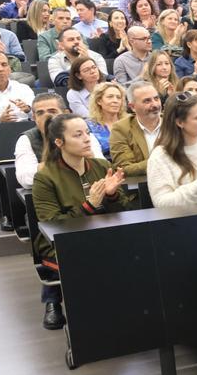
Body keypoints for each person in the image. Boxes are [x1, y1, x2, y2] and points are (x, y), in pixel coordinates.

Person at [32, 112, 137, 328]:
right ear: (59, 142)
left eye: (87, 133)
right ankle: (57, 304)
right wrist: (89, 206)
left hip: (101, 236)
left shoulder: (99, 166)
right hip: (63, 242)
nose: (87, 138)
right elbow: (52, 225)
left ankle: (128, 311)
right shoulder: (45, 177)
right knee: (92, 258)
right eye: (78, 135)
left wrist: (112, 196)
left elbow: (126, 210)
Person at [16, 93, 103, 189]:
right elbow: (25, 179)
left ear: (65, 113)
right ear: (34, 118)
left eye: (52, 111)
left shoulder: (84, 133)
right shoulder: (26, 139)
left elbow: (102, 168)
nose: (46, 116)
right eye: (40, 113)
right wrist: (66, 164)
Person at [108, 80, 163, 177]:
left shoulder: (174, 123)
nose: (155, 104)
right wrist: (164, 160)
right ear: (132, 107)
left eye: (156, 98)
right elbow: (124, 169)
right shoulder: (121, 129)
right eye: (147, 101)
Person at [85, 81, 126, 157]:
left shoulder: (130, 122)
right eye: (110, 97)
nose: (115, 101)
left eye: (118, 97)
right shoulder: (89, 126)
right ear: (99, 101)